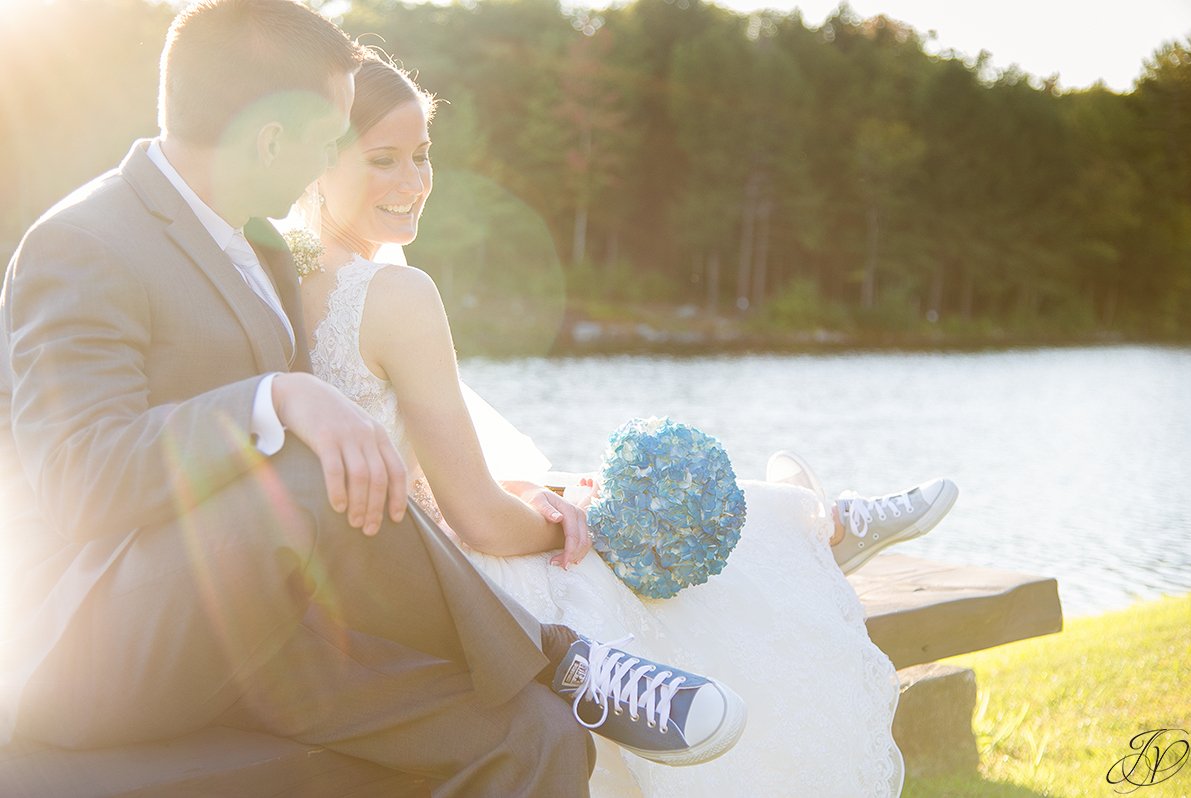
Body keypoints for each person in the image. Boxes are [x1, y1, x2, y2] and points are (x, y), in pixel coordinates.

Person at [0, 1, 748, 793]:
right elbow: (76, 478)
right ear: (270, 138)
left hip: (263, 634)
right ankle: (564, 659)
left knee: (533, 738)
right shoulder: (82, 241)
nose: (334, 158)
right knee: (302, 467)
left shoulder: (260, 248)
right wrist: (274, 398)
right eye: (330, 136)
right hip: (96, 651)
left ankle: (556, 693)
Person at [295, 52, 959, 796]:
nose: (414, 182)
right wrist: (567, 523)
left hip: (381, 570)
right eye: (382, 159)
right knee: (628, 534)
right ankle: (824, 528)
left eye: (422, 155)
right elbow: (478, 523)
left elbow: (397, 455)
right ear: (318, 161)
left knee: (595, 498)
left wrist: (534, 495)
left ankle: (821, 521)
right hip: (451, 586)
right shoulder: (394, 293)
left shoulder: (277, 276)